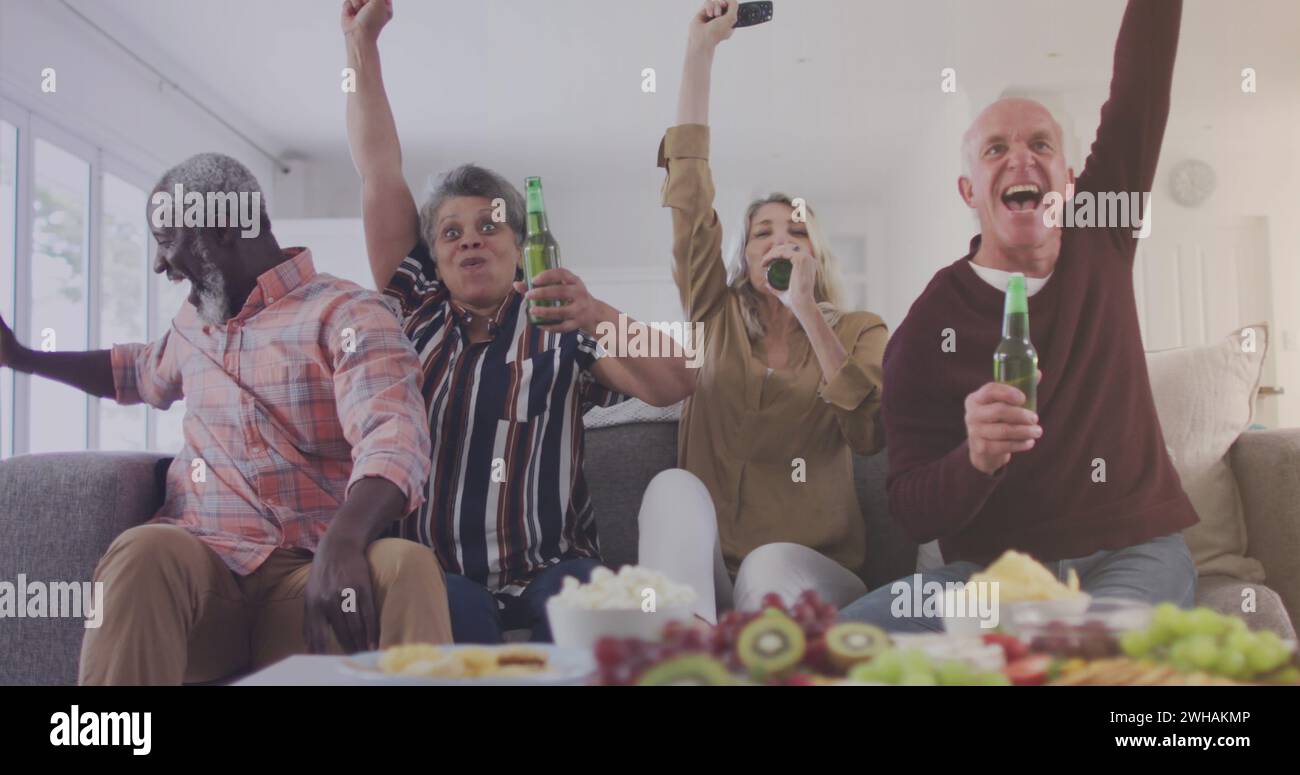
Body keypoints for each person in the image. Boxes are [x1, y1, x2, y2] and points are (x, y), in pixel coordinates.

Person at [0, 153, 450, 684]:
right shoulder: (194, 324)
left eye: (167, 240)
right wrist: (23, 357)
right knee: (144, 550)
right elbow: (135, 370)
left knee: (407, 566)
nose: (158, 264)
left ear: (223, 230)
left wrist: (346, 541)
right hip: (203, 579)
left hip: (309, 584)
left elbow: (392, 435)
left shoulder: (346, 313)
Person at [341, 0, 698, 642]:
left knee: (603, 615)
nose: (469, 241)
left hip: (554, 570)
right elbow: (378, 172)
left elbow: (678, 381)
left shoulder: (559, 321)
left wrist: (594, 312)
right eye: (451, 232)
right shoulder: (414, 304)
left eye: (489, 225)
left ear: (519, 244)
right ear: (435, 255)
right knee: (456, 621)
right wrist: (361, 44)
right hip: (435, 570)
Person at [839, 0, 1197, 632]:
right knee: (842, 641)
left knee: (1086, 658)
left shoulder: (1101, 234)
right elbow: (912, 509)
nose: (1021, 158)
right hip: (994, 576)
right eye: (995, 148)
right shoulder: (927, 330)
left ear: (1069, 181)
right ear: (969, 191)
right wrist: (973, 459)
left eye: (1041, 145)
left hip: (1132, 553)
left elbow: (1140, 87)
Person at [642, 0, 889, 623]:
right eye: (762, 234)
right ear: (744, 257)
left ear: (814, 254)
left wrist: (806, 310)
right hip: (711, 581)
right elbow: (690, 202)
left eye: (795, 233)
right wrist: (700, 53)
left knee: (767, 566)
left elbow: (869, 433)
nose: (779, 241)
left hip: (804, 572)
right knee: (671, 488)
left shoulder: (860, 331)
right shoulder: (714, 315)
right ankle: (683, 650)